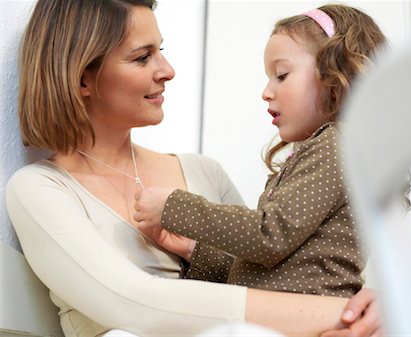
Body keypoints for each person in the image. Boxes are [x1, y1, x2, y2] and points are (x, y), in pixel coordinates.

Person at [6, 0, 381, 336]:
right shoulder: (40, 189)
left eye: (161, 51)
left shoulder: (205, 172)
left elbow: (279, 268)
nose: (167, 70)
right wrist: (342, 313)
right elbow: (134, 304)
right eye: (142, 57)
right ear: (83, 77)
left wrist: (373, 309)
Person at [134, 4, 387, 297]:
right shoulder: (332, 149)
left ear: (336, 75)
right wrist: (194, 250)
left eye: (281, 75)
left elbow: (270, 235)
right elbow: (274, 269)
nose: (266, 91)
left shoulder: (337, 146)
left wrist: (175, 208)